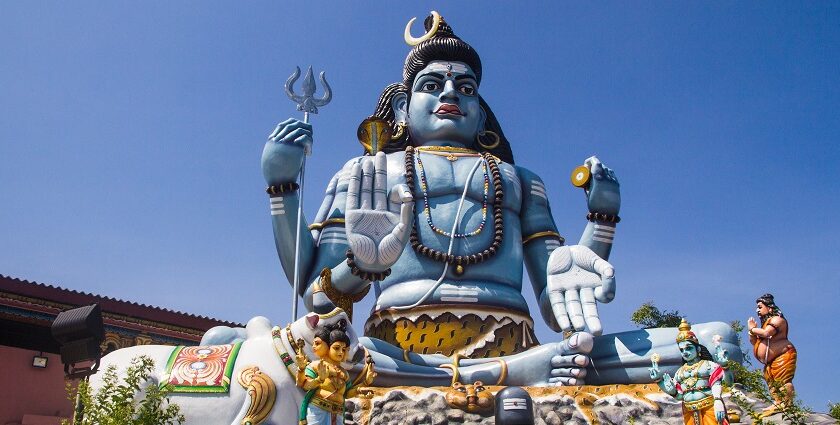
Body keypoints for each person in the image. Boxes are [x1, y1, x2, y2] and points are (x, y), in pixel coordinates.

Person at [261, 11, 737, 386]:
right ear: (403, 106)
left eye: (465, 88)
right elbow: (317, 300)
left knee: (714, 344)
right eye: (432, 84)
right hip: (396, 348)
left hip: (520, 344)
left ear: (480, 110)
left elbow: (558, 307)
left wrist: (601, 220)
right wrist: (298, 205)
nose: (450, 92)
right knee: (293, 353)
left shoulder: (519, 180)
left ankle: (500, 372)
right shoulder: (367, 172)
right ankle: (501, 377)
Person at [296, 319, 376, 425]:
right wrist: (318, 378)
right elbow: (304, 384)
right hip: (318, 410)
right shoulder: (316, 365)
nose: (340, 352)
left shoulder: (344, 373)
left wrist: (365, 383)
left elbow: (347, 393)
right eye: (336, 348)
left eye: (344, 349)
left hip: (338, 413)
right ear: (327, 347)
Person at [650, 319, 729, 425]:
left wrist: (718, 401)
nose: (685, 352)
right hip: (689, 411)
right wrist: (661, 383)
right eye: (682, 350)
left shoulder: (708, 366)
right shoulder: (680, 372)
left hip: (710, 408)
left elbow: (727, 383)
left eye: (688, 348)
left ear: (698, 349)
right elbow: (679, 396)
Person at [747, 293, 796, 417]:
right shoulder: (765, 323)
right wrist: (752, 332)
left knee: (783, 380)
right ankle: (778, 402)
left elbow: (766, 333)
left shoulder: (777, 320)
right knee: (772, 382)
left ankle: (786, 403)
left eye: (760, 307)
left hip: (783, 354)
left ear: (769, 307)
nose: (757, 310)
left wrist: (752, 329)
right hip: (770, 361)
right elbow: (754, 342)